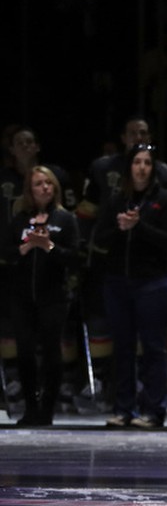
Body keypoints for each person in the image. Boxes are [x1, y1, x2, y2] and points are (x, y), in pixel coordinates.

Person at [93, 145, 167, 429]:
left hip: (153, 283)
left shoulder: (163, 199)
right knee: (123, 347)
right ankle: (123, 408)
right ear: (128, 167)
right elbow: (101, 239)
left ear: (153, 168)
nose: (142, 167)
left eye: (147, 163)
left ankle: (154, 410)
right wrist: (120, 228)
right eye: (137, 162)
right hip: (118, 282)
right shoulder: (116, 199)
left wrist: (138, 226)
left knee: (154, 347)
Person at [6, 167, 82, 425]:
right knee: (25, 351)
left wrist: (49, 246)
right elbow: (8, 255)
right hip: (22, 296)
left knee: (51, 351)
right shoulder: (18, 220)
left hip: (54, 296)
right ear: (30, 190)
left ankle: (47, 408)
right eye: (39, 183)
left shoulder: (65, 219)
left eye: (49, 183)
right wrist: (29, 245)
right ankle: (30, 407)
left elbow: (75, 258)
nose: (45, 188)